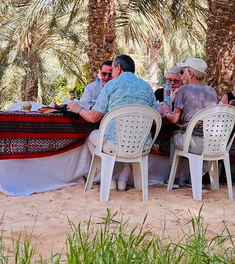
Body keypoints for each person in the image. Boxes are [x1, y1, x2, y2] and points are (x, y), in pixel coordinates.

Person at [68, 55, 156, 191]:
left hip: (114, 145)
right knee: (132, 139)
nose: (111, 75)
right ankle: (123, 178)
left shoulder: (111, 85)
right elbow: (155, 119)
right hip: (142, 146)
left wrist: (77, 109)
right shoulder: (147, 87)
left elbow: (93, 117)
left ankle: (107, 178)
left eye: (112, 70)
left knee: (91, 136)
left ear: (118, 68)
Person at [160, 57, 218, 185]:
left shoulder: (183, 89)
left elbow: (175, 119)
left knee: (174, 137)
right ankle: (196, 178)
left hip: (194, 143)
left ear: (191, 74)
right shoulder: (212, 91)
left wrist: (166, 113)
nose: (181, 76)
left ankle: (174, 178)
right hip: (214, 143)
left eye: (183, 72)